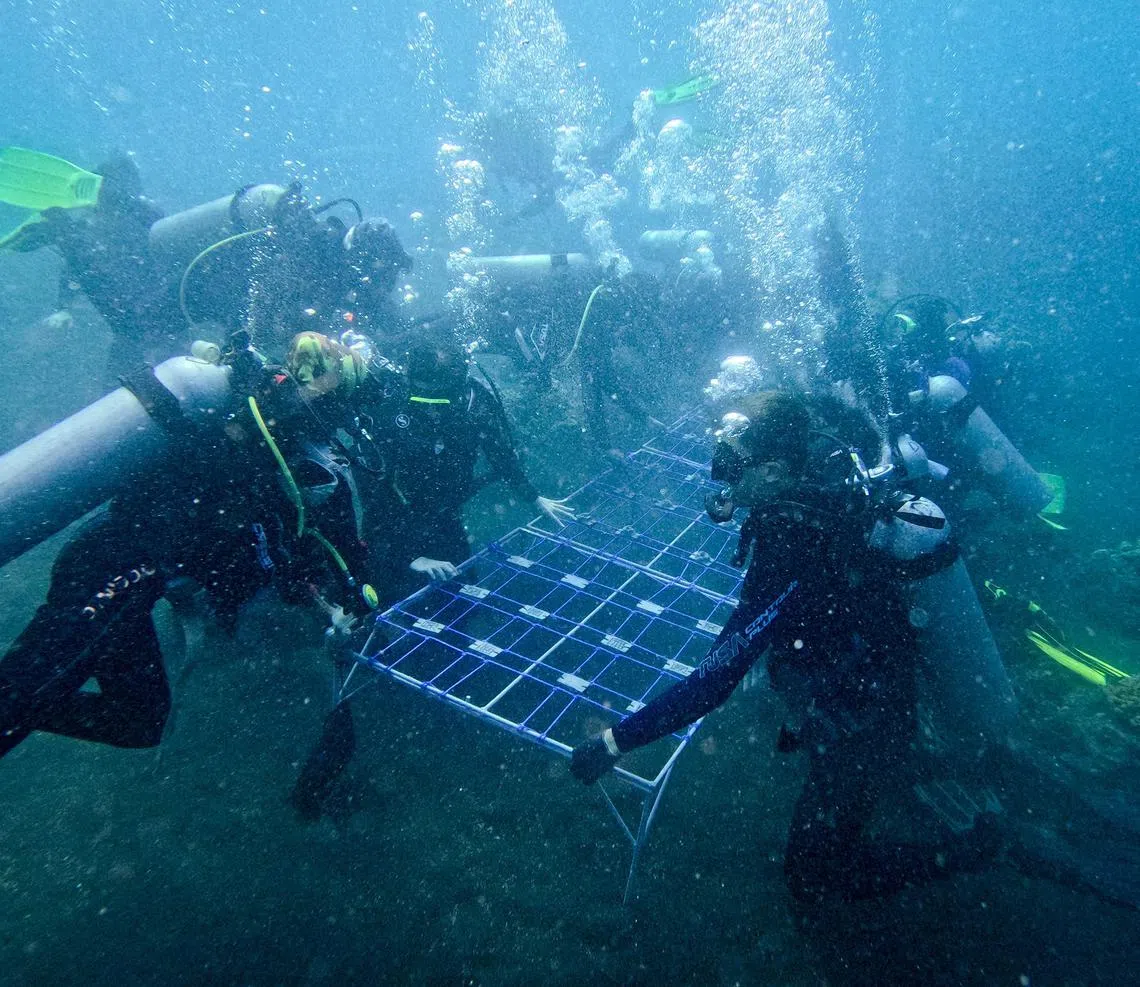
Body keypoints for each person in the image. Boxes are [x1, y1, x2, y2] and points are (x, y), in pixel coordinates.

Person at [570, 389, 1008, 905]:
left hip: (869, 711)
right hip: (874, 663)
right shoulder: (820, 467)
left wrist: (613, 743)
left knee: (813, 878)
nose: (718, 473)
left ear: (775, 472)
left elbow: (712, 683)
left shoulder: (794, 542)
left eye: (731, 464)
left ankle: (977, 851)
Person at [0, 332, 375, 761]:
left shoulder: (269, 446)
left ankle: (19, 702)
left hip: (134, 579)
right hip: (115, 570)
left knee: (140, 721)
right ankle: (17, 702)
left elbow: (270, 548)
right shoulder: (252, 430)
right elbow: (221, 501)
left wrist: (317, 596)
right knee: (17, 701)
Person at [357, 329, 573, 603]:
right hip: (399, 520)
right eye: (422, 395)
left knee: (461, 592)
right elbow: (373, 487)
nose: (431, 408)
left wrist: (532, 496)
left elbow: (500, 452)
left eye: (439, 397)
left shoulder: (476, 402)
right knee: (401, 598)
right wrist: (408, 555)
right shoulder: (390, 402)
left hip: (447, 512)